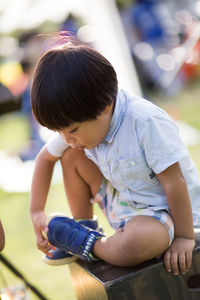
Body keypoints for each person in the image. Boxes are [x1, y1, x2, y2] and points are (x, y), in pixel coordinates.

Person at [30, 39, 200, 276]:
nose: (66, 138)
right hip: (123, 202)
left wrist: (184, 236)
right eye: (59, 132)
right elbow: (45, 159)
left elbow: (175, 182)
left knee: (138, 242)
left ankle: (89, 245)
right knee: (70, 156)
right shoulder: (80, 119)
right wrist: (36, 210)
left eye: (71, 130)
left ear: (105, 106)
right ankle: (84, 226)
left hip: (165, 214)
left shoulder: (144, 121)